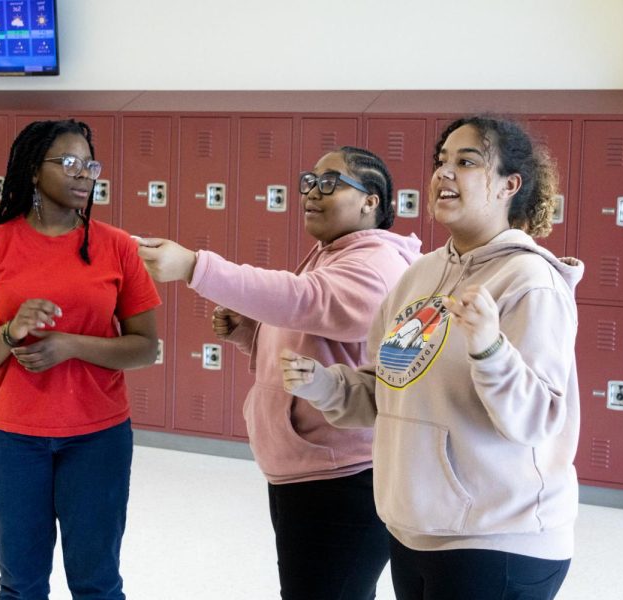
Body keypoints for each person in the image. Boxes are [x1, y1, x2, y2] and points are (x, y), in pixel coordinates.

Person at [282, 116, 583, 600]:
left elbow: (537, 418)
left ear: (510, 185)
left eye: (466, 162)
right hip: (416, 528)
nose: (444, 173)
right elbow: (388, 388)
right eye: (441, 162)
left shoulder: (530, 282)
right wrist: (322, 385)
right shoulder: (419, 276)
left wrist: (489, 347)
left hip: (498, 538)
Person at [137, 146, 422, 599]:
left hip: (342, 477)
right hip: (309, 468)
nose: (311, 193)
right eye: (309, 182)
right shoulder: (337, 252)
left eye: (329, 183)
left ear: (371, 201)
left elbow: (306, 300)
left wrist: (195, 266)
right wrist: (253, 334)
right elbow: (322, 332)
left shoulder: (377, 262)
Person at [0, 119, 160, 599]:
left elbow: (145, 346)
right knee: (21, 583)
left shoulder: (117, 247)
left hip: (98, 438)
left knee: (97, 583)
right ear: (31, 170)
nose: (84, 174)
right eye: (68, 163)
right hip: (14, 441)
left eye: (90, 165)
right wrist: (11, 330)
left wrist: (69, 345)